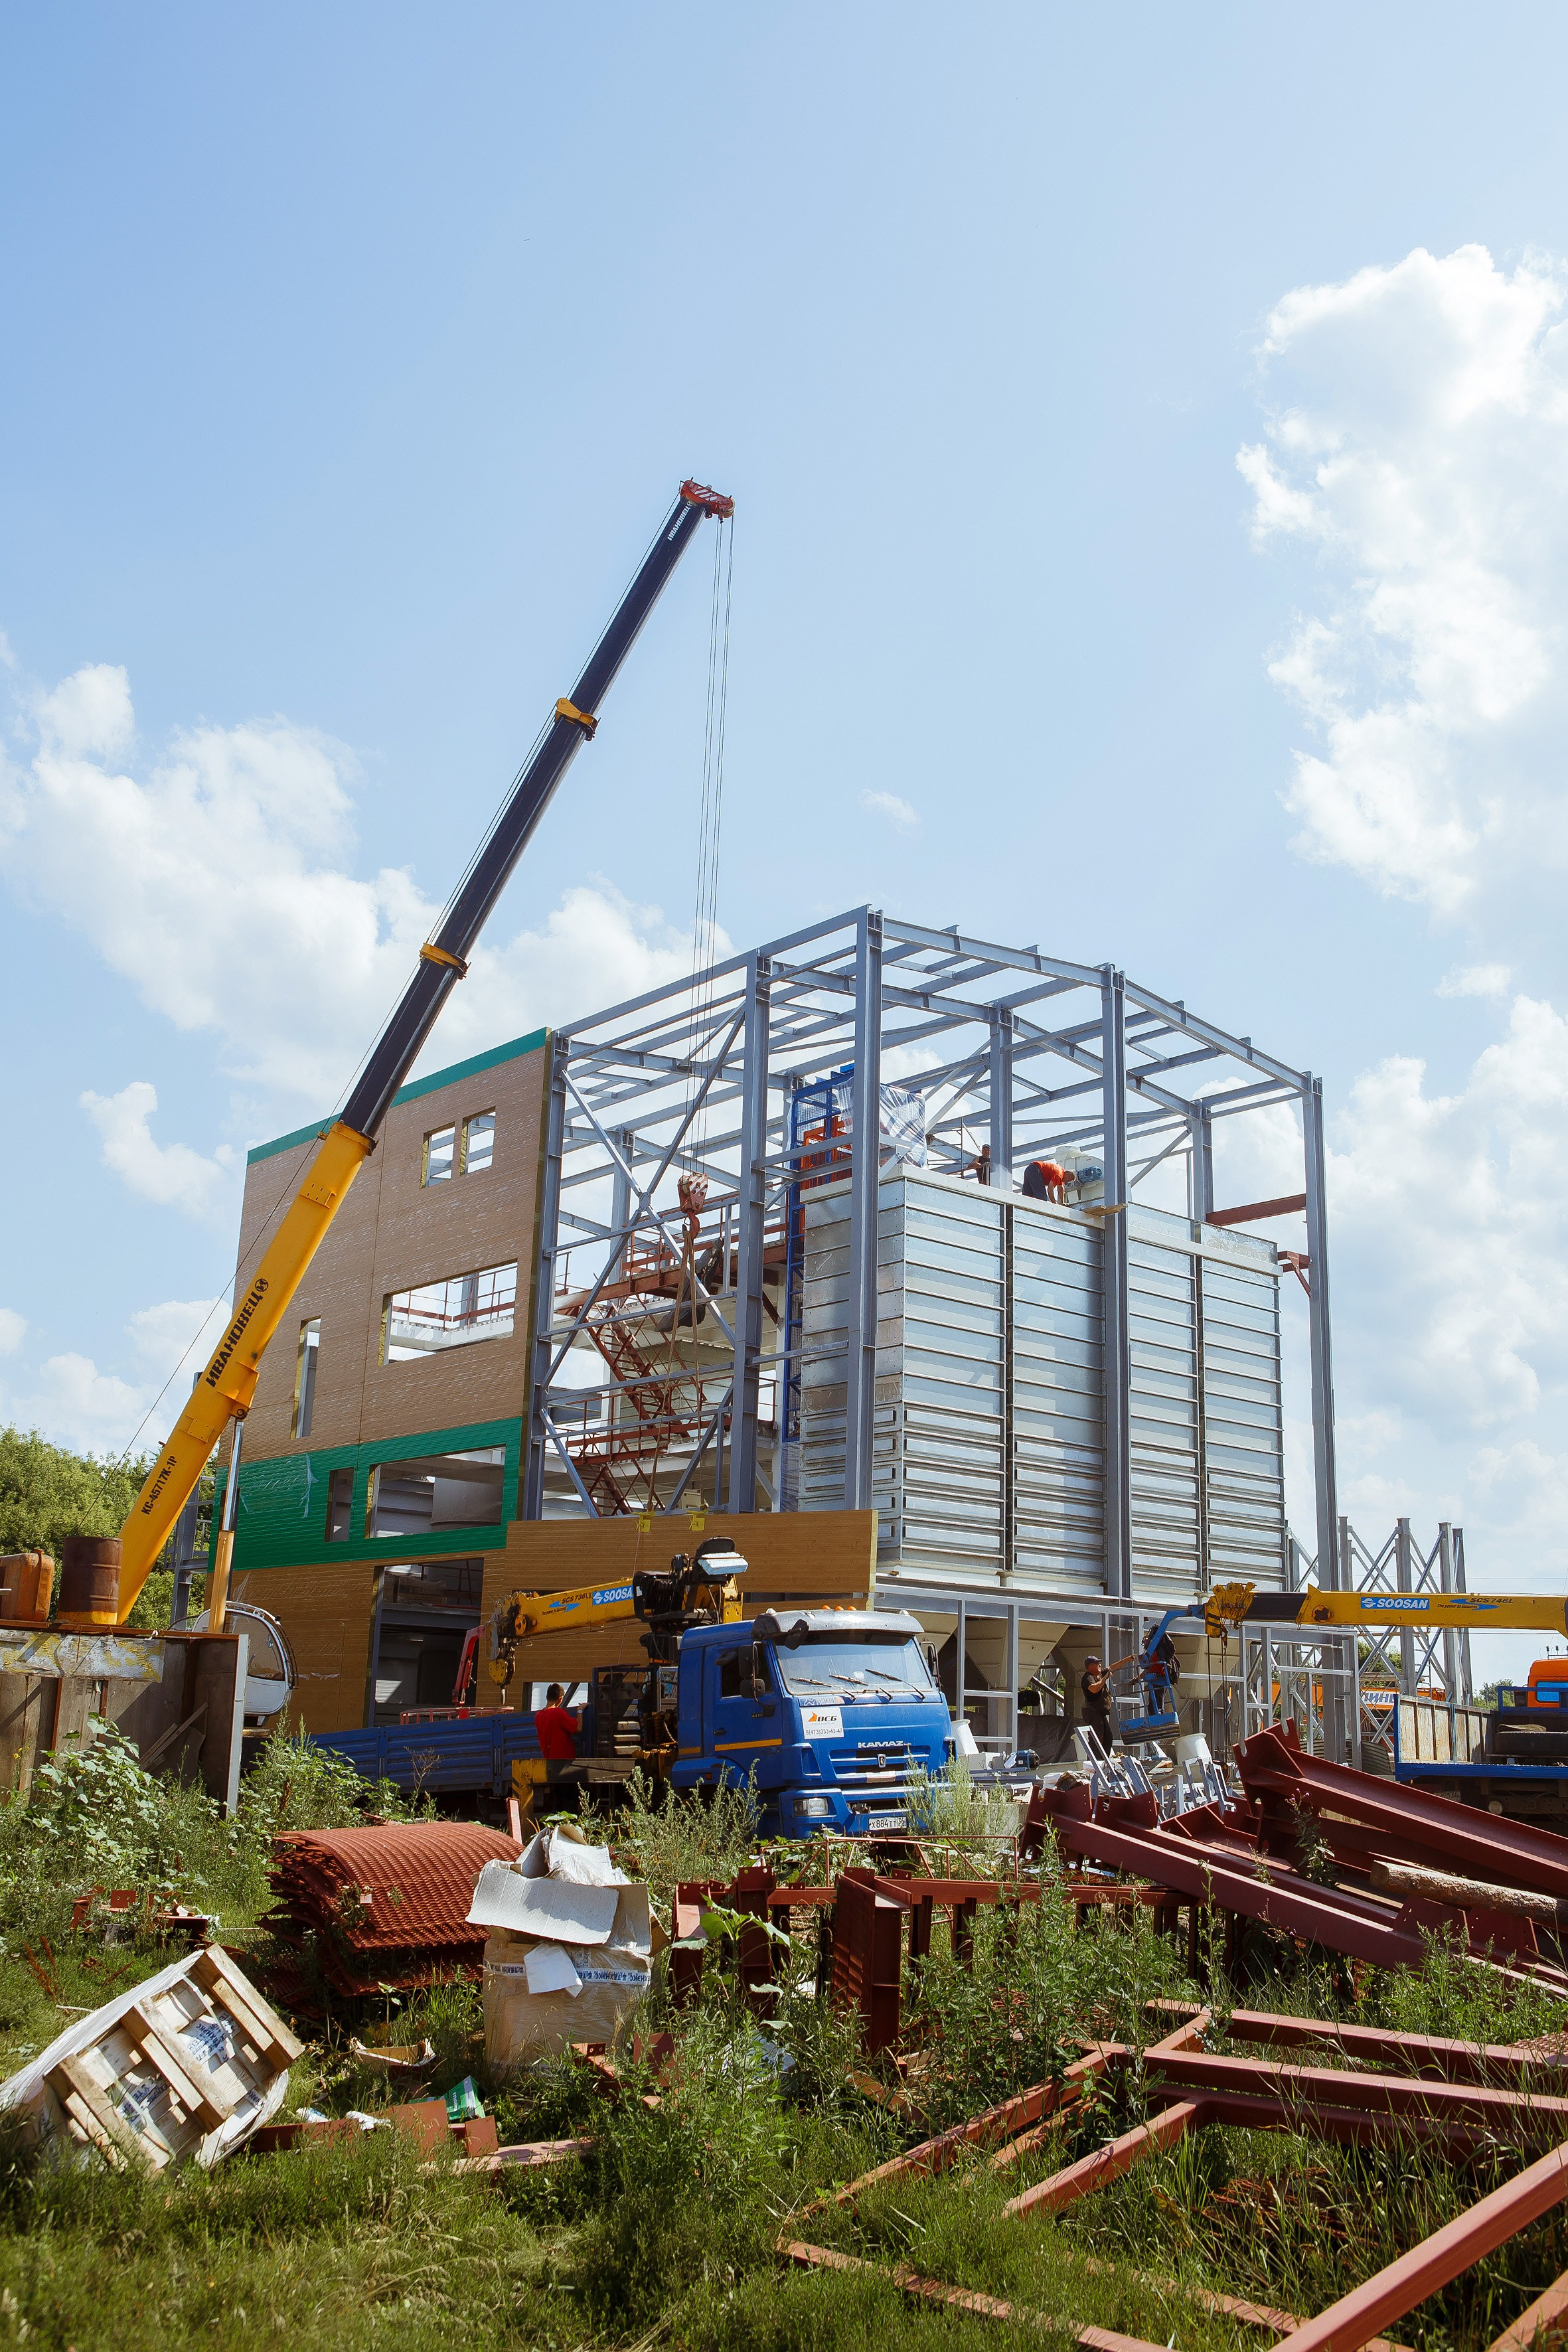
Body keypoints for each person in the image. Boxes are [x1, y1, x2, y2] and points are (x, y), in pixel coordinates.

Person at [532, 1682, 579, 1785]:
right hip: (564, 1764)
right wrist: (580, 1712)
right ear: (561, 1698)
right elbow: (577, 1728)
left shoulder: (538, 1716)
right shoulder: (558, 1713)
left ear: (547, 1697)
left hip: (549, 1764)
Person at [1079, 1655, 1115, 1751]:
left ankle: (1104, 1763)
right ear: (1091, 1666)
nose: (1100, 1665)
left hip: (1099, 1712)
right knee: (1097, 1739)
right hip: (1092, 1711)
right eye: (1097, 1664)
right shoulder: (1088, 1677)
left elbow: (1112, 1667)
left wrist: (1128, 1659)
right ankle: (1093, 1764)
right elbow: (1094, 1689)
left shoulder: (1099, 1674)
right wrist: (1105, 1678)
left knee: (1108, 1737)